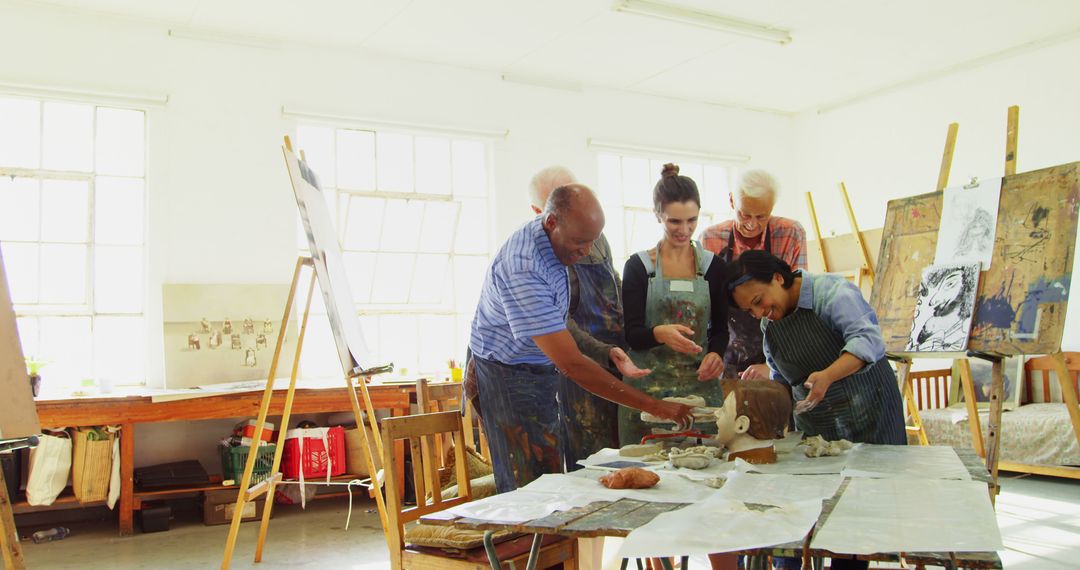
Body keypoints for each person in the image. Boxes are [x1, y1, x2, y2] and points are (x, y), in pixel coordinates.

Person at [469, 183, 694, 492]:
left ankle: (551, 537)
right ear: (550, 222)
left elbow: (561, 320)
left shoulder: (563, 243)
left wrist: (603, 351)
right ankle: (530, 537)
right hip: (508, 371)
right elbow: (572, 364)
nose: (586, 251)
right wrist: (655, 406)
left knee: (552, 474)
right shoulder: (524, 269)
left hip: (546, 362)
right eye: (579, 242)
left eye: (592, 241)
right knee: (530, 484)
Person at [726, 251, 905, 570]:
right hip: (819, 430)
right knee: (805, 522)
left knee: (854, 528)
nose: (758, 313)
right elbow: (781, 378)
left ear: (778, 278)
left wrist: (828, 375)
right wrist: (761, 411)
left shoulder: (832, 293)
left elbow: (868, 341)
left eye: (758, 300)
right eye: (750, 309)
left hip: (870, 416)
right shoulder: (772, 327)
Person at [527, 166, 644, 468]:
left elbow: (614, 285)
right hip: (579, 364)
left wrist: (637, 334)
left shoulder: (597, 237)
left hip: (616, 355)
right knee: (592, 460)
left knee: (627, 452)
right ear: (540, 212)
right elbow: (559, 323)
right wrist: (600, 353)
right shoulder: (535, 257)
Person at [620, 163, 728, 446]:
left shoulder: (713, 266)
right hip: (649, 389)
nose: (685, 230)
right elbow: (631, 333)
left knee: (706, 470)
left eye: (692, 220)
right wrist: (658, 333)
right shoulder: (639, 266)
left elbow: (721, 330)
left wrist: (716, 354)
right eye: (675, 222)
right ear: (658, 215)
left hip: (699, 387)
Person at [701, 169, 807, 381]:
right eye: (744, 214)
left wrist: (773, 366)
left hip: (778, 346)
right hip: (728, 351)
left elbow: (798, 302)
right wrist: (713, 353)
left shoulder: (790, 233)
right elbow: (708, 305)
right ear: (732, 201)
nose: (752, 224)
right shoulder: (711, 239)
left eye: (762, 216)